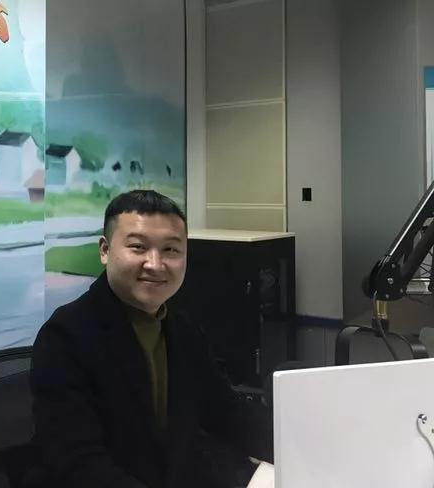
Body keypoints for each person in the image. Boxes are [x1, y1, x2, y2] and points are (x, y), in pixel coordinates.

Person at [30, 190, 272, 488]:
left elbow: (226, 413)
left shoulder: (181, 328)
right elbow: (78, 464)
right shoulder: (66, 336)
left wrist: (298, 445)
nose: (155, 264)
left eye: (171, 250)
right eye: (138, 247)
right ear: (104, 250)